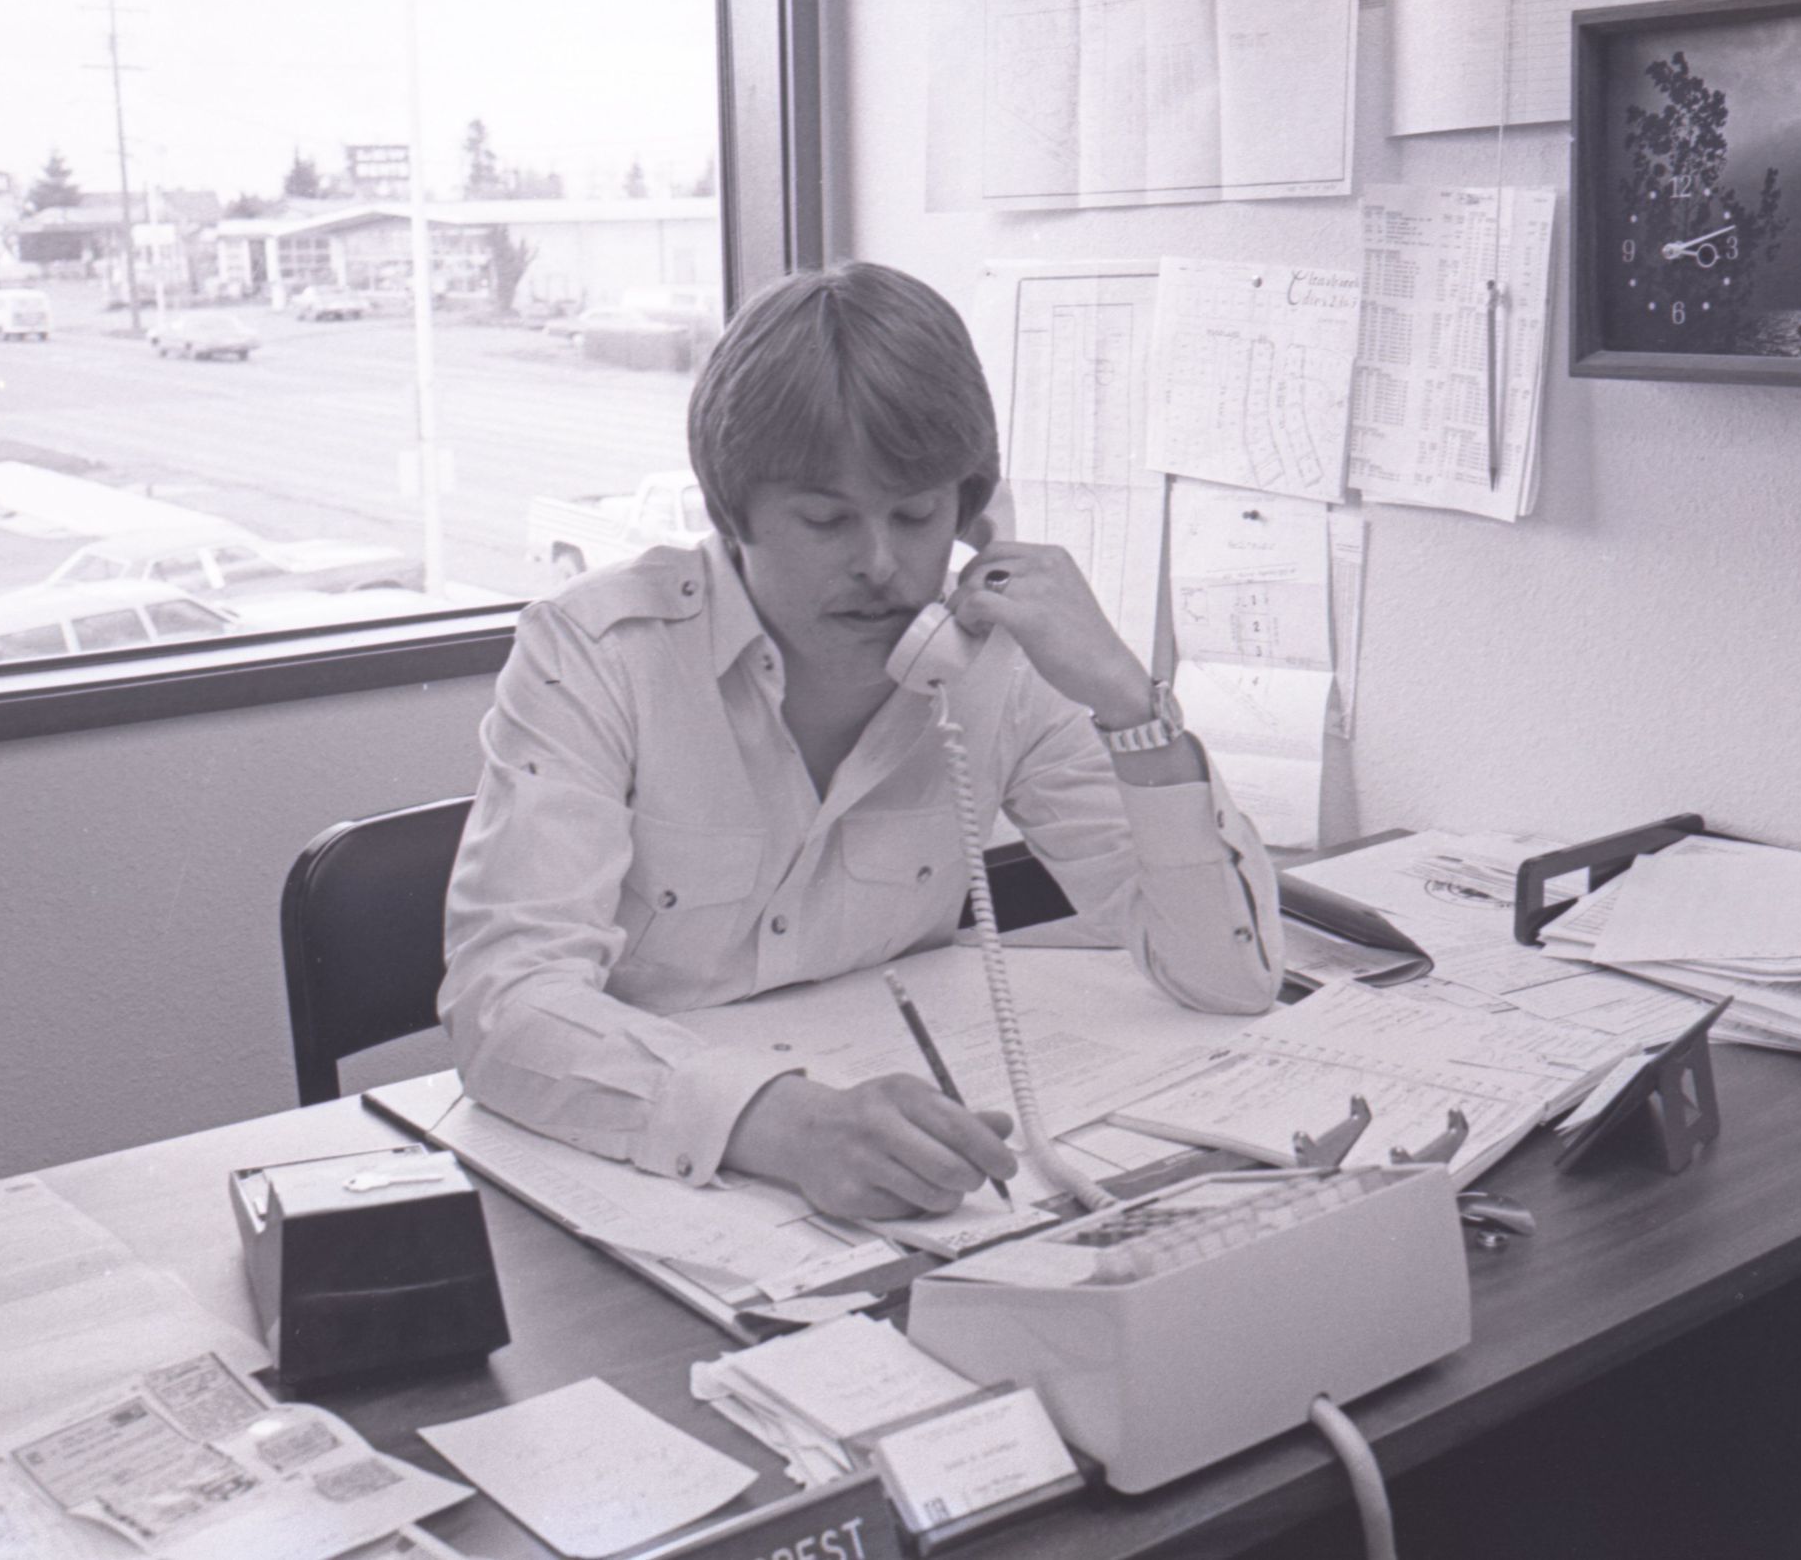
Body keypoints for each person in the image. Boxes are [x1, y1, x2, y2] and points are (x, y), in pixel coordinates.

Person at [440, 261, 1283, 1222]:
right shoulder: (596, 654)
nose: (880, 564)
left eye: (916, 514)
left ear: (970, 512)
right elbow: (504, 1001)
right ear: (730, 513)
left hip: (904, 1172)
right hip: (652, 1175)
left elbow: (1227, 979)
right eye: (826, 520)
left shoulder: (1002, 664)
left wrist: (1129, 704)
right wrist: (786, 1125)